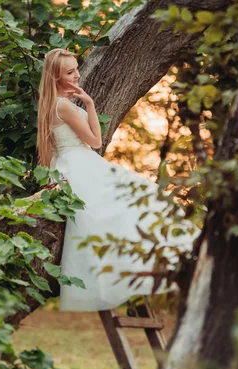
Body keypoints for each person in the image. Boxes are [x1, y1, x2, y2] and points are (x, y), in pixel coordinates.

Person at [37, 48, 198, 311]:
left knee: (132, 202)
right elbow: (95, 141)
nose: (77, 75)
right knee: (137, 199)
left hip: (72, 164)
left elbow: (51, 153)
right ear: (55, 76)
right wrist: (89, 104)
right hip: (80, 162)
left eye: (76, 68)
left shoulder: (51, 104)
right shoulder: (64, 105)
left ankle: (142, 276)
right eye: (70, 72)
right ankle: (152, 271)